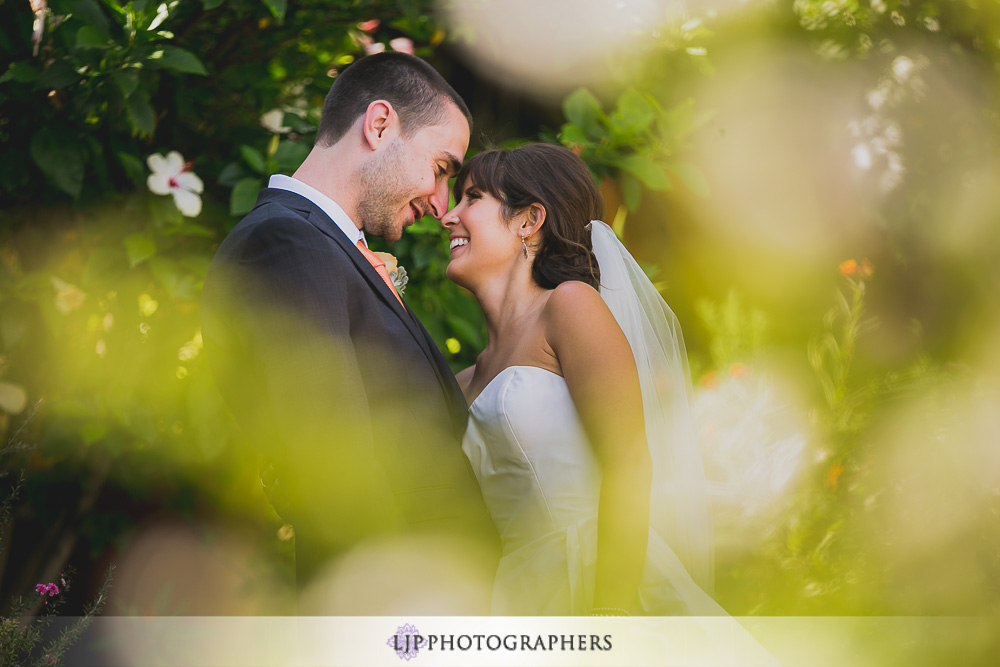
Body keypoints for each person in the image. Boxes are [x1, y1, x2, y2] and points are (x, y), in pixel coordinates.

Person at [200, 52, 498, 610]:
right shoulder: (285, 245)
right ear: (379, 124)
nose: (441, 205)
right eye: (441, 169)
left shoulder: (322, 248)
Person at [441, 143, 724, 615]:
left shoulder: (569, 306)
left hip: (600, 582)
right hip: (514, 600)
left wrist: (610, 614)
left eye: (471, 198)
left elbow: (630, 462)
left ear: (529, 220)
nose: (448, 216)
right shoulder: (462, 380)